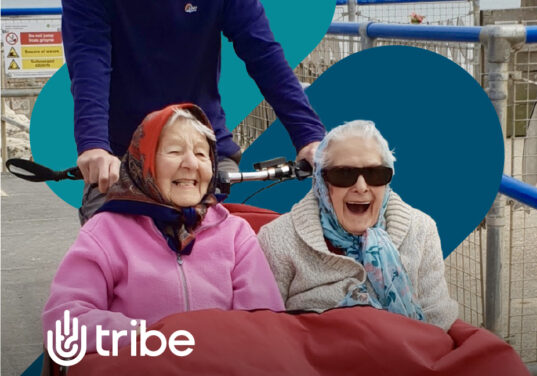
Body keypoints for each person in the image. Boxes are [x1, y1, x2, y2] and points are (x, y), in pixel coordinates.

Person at [42, 104, 285, 352]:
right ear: (143, 162)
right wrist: (150, 337)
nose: (191, 163)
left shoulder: (235, 233)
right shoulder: (105, 233)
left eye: (202, 154)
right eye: (174, 151)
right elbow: (64, 325)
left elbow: (264, 319)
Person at [61, 0, 326, 223]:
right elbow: (89, 59)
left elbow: (262, 52)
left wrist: (309, 136)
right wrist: (93, 145)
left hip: (201, 151)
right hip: (124, 157)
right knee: (106, 250)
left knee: (227, 252)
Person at [258, 120, 458, 330]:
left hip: (408, 356)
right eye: (344, 174)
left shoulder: (421, 229)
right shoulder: (277, 238)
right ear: (322, 183)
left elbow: (437, 318)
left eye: (375, 174)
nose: (361, 187)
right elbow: (268, 332)